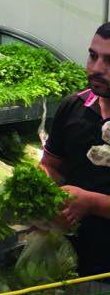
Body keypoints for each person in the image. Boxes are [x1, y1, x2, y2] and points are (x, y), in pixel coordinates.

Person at [41, 22, 110, 276]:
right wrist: (49, 199)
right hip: (72, 266)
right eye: (93, 56)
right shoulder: (73, 106)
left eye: (109, 61)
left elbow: (87, 201)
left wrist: (90, 202)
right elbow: (50, 166)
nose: (96, 69)